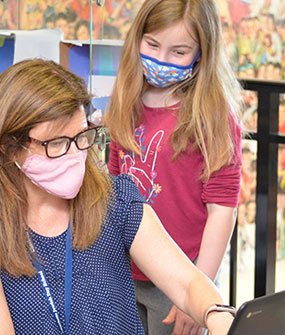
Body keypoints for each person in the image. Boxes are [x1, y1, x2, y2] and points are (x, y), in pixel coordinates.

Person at [0, 58, 235, 334]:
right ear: (8, 145)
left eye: (81, 137)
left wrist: (216, 314)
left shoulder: (115, 200)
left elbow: (187, 282)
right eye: (56, 143)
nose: (75, 153)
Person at [103, 0, 243, 334]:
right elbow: (112, 182)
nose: (160, 60)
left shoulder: (212, 115)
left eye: (178, 52)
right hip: (125, 267)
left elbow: (223, 209)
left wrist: (198, 290)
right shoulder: (126, 99)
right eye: (152, 45)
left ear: (201, 53)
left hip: (184, 273)